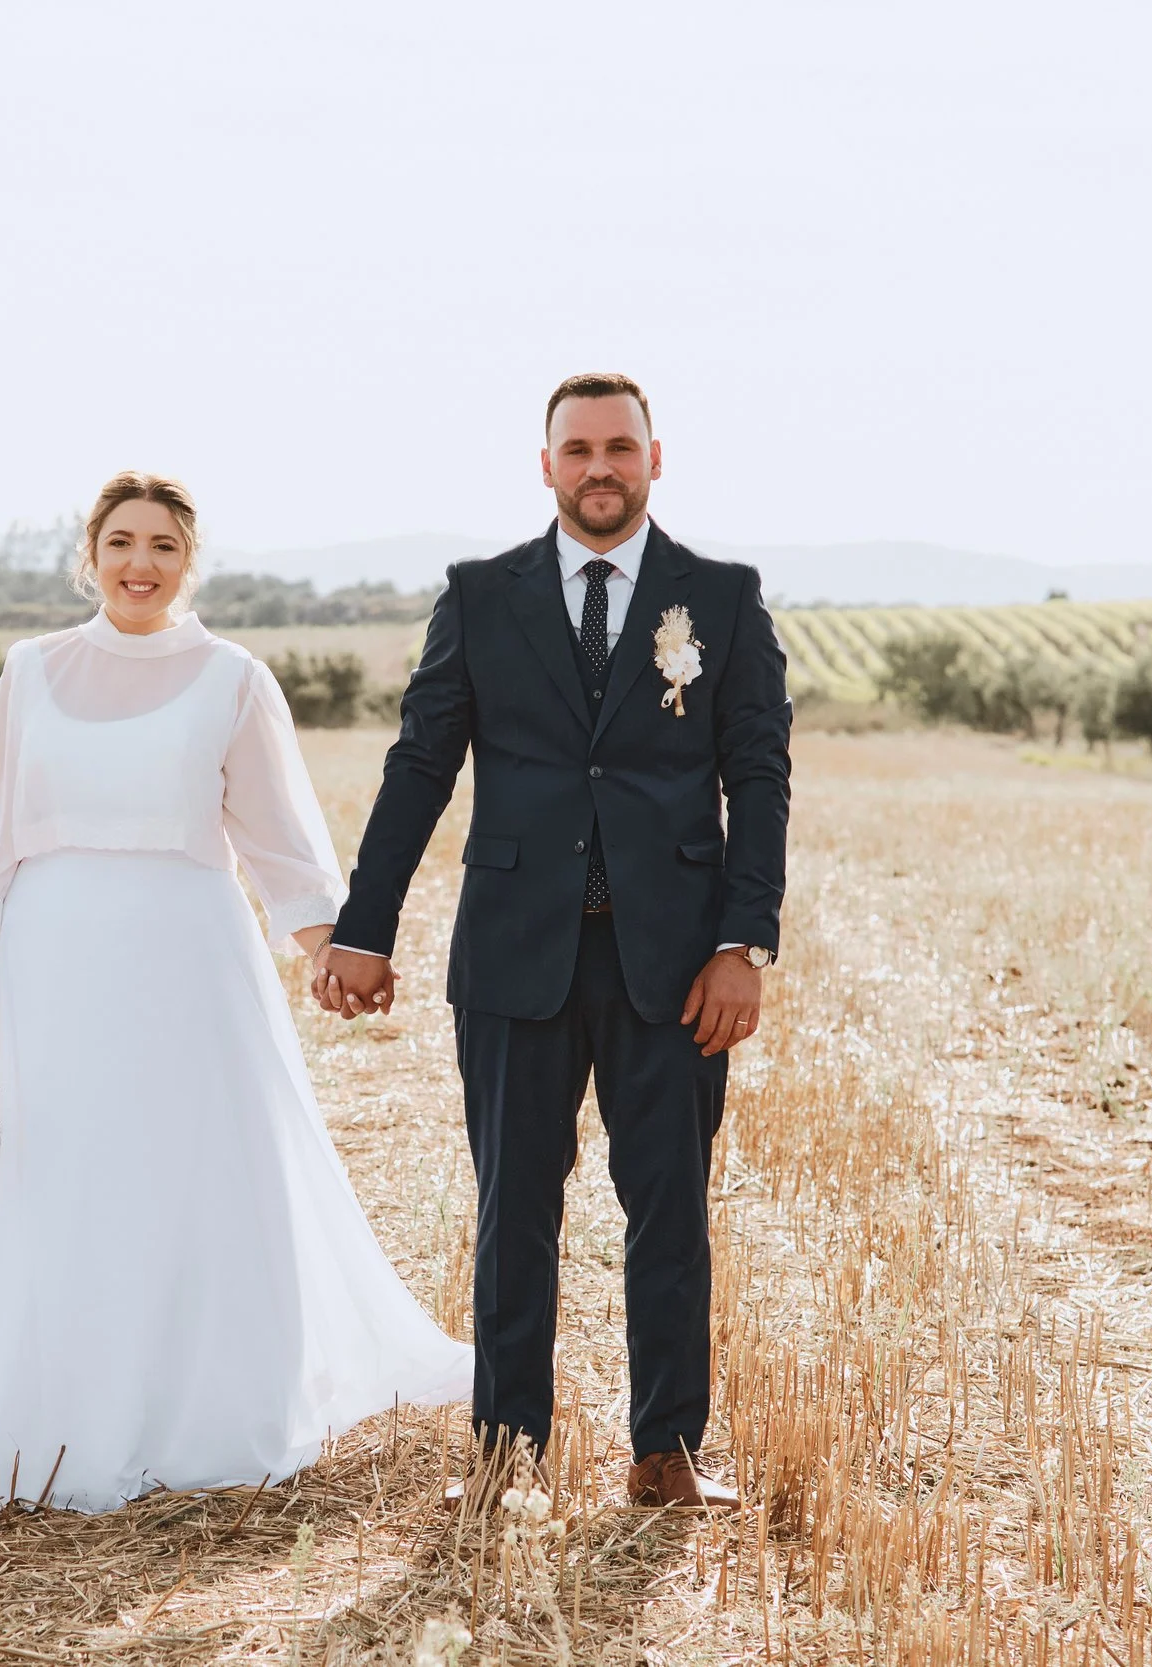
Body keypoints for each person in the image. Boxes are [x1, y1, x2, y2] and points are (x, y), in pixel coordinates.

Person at [0, 471, 470, 1517]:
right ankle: (56, 1387)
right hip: (53, 961)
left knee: (191, 1164)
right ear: (89, 553)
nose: (140, 563)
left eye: (162, 544)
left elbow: (280, 842)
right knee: (62, 1168)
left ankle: (197, 1399)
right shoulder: (31, 671)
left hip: (192, 959)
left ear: (188, 560)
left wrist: (333, 950)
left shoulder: (233, 677)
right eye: (121, 541)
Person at [314, 374, 792, 1510]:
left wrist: (745, 940)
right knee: (512, 1208)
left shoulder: (718, 598)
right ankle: (504, 1458)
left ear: (654, 458)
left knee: (669, 1204)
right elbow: (421, 763)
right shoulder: (481, 595)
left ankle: (667, 1451)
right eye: (576, 448)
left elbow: (758, 775)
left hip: (673, 966)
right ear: (544, 465)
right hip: (514, 954)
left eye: (618, 446)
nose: (598, 467)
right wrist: (364, 926)